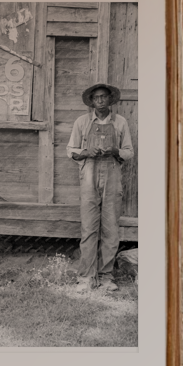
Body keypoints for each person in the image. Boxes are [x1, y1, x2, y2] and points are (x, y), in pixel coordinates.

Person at [66, 82, 133, 293]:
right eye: (97, 98)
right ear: (92, 101)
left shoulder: (120, 122)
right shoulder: (82, 122)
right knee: (88, 228)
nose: (101, 100)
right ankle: (85, 277)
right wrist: (87, 151)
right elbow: (71, 150)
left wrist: (115, 150)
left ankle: (106, 276)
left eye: (104, 97)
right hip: (89, 177)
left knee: (111, 229)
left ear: (110, 99)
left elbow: (129, 151)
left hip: (112, 179)